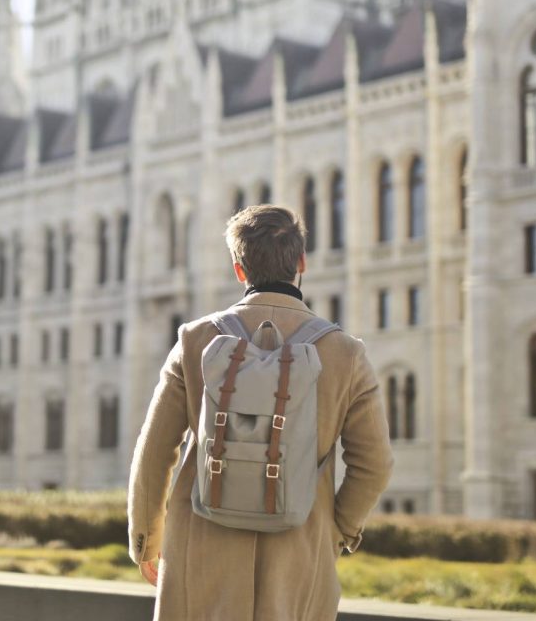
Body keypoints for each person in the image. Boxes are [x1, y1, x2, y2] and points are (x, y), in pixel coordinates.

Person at [127, 204, 393, 621]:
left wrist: (147, 540)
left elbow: (155, 451)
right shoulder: (346, 354)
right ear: (301, 262)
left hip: (201, 549)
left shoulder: (195, 340)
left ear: (239, 269)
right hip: (299, 550)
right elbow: (375, 464)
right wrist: (335, 531)